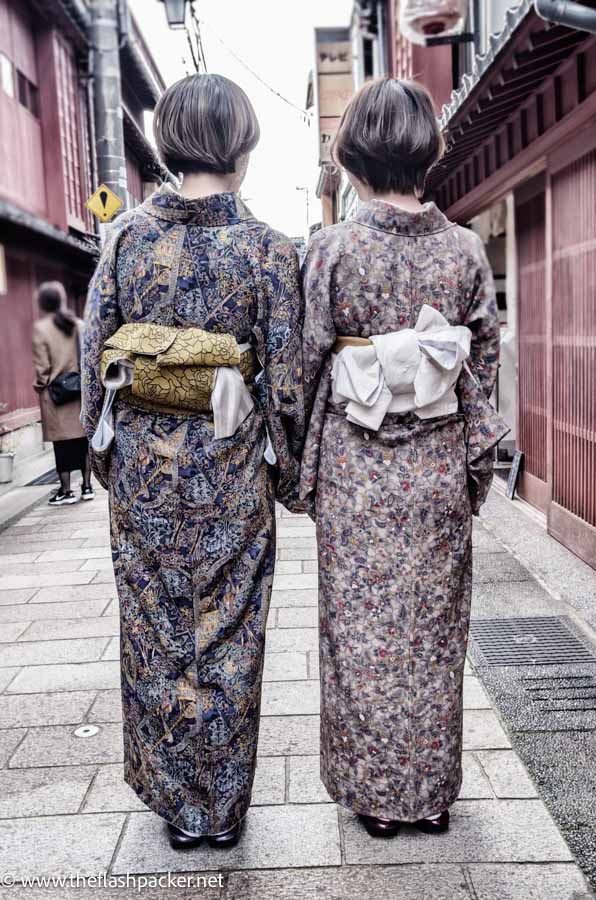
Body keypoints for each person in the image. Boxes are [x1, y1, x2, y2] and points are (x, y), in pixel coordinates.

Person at [80, 74, 305, 850]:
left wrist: (104, 454)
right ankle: (224, 806)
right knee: (229, 634)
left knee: (156, 633)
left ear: (170, 143)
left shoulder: (125, 240)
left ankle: (181, 810)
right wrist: (292, 475)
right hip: (232, 465)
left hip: (144, 466)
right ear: (242, 145)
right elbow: (288, 379)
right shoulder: (270, 250)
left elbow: (93, 354)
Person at [300, 78, 509, 838]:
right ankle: (430, 792)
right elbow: (481, 366)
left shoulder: (332, 249)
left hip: (358, 466)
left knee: (360, 633)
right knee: (432, 632)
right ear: (427, 152)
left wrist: (298, 469)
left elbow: (303, 367)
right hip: (436, 466)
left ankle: (375, 797)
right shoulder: (462, 253)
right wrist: (475, 467)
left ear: (352, 157)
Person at [32, 281, 94, 505]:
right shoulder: (78, 325)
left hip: (56, 395)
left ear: (42, 303)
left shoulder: (41, 329)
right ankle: (87, 487)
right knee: (83, 441)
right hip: (79, 391)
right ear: (62, 300)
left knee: (62, 445)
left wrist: (39, 386)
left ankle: (66, 491)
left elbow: (42, 370)